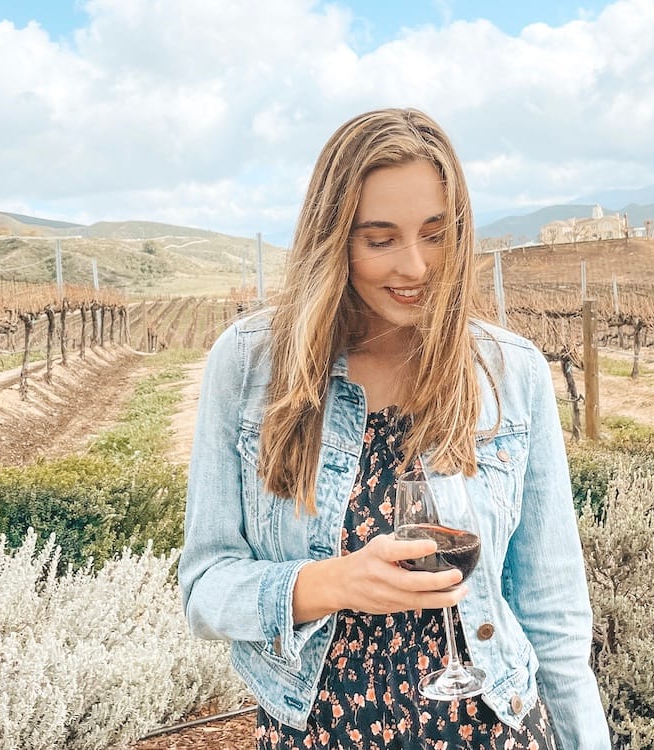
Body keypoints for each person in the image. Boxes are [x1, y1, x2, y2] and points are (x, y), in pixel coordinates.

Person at [178, 108, 611, 749]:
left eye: (436, 234)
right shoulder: (249, 366)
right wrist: (335, 582)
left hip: (492, 731)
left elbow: (553, 614)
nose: (415, 267)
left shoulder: (509, 373)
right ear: (333, 241)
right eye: (380, 240)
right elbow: (206, 587)